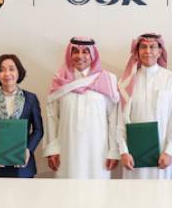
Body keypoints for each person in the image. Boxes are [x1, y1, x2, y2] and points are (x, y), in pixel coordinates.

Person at [43, 37, 119, 179]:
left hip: (98, 153)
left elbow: (114, 118)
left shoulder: (107, 79)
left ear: (93, 55)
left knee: (97, 190)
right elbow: (52, 117)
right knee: (67, 189)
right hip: (67, 150)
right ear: (70, 54)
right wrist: (52, 149)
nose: (80, 56)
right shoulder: (60, 80)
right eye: (75, 51)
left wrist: (114, 151)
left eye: (85, 52)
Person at [117, 33, 172, 179]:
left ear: (160, 51)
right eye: (143, 47)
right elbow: (120, 120)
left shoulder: (171, 78)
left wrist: (169, 151)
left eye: (152, 47)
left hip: (163, 154)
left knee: (163, 192)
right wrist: (123, 151)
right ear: (137, 51)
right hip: (133, 156)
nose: (148, 51)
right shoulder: (127, 81)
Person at [0, 54, 43, 178]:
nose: (7, 74)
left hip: (23, 166)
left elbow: (38, 130)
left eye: (11, 69)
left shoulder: (30, 99)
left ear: (19, 72)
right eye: (2, 70)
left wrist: (28, 150)